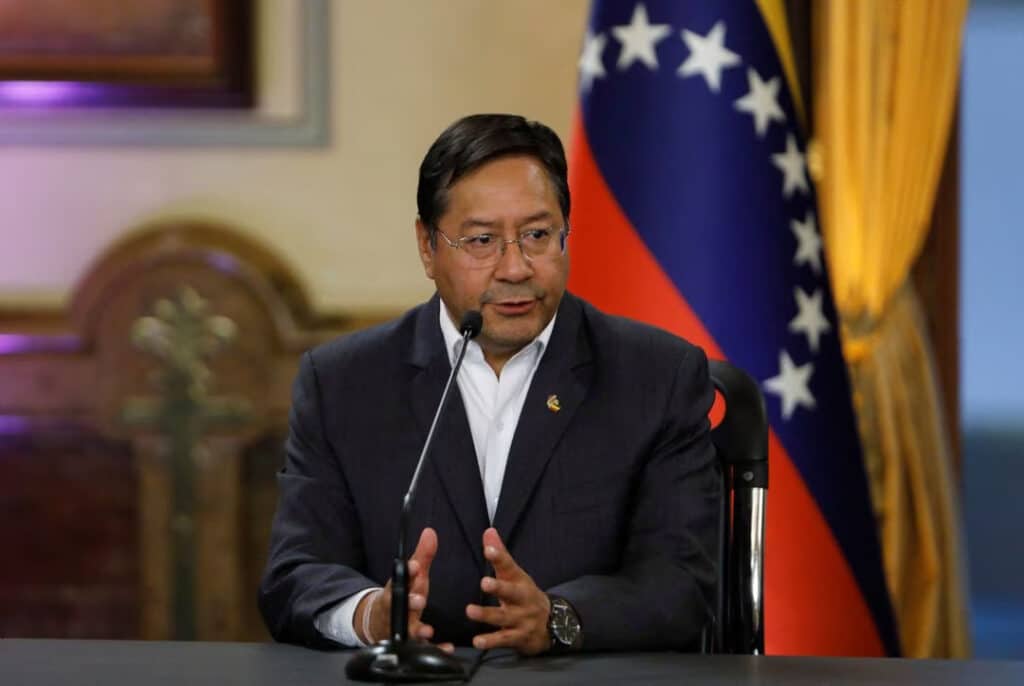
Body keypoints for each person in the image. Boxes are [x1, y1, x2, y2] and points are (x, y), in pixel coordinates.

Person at [258, 113, 720, 654]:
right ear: (428, 247)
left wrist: (559, 618)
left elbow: (683, 584)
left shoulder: (656, 376)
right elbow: (296, 574)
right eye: (482, 240)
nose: (516, 267)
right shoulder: (342, 383)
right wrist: (368, 616)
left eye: (538, 236)